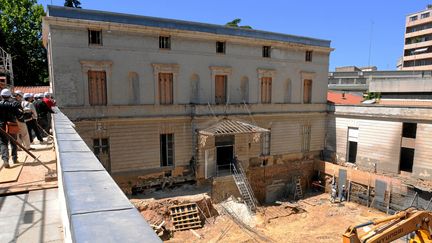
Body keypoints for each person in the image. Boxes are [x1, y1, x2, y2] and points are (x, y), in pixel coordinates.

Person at [0, 89, 23, 167]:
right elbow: (19, 114)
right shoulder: (13, 105)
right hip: (12, 125)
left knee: (3, 143)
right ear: (9, 96)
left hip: (1, 126)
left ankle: (5, 160)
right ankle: (14, 158)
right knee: (13, 142)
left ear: (1, 96)